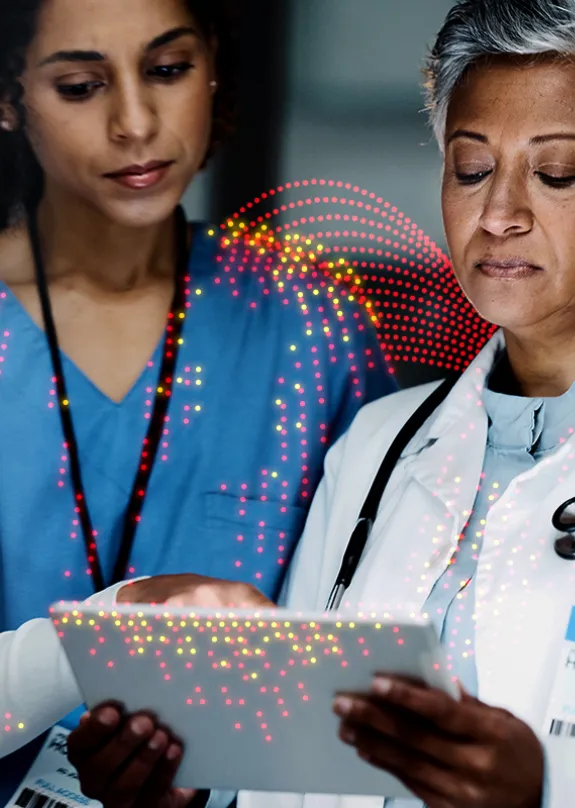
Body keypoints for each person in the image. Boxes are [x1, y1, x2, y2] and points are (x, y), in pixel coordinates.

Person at [66, 0, 575, 806]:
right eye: (471, 169)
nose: (498, 214)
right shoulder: (378, 447)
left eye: (557, 175)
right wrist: (198, 790)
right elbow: (298, 774)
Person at [0, 0, 395, 799]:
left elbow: (363, 638)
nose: (136, 122)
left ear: (213, 66)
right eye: (80, 85)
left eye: (168, 70)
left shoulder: (311, 321)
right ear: (7, 99)